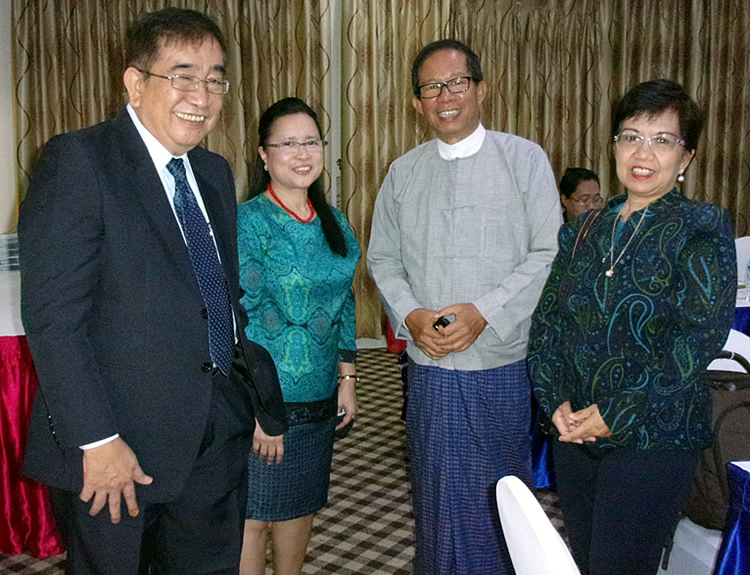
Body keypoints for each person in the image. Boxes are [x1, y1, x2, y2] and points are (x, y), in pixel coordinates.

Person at [18, 8, 287, 574]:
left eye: (216, 79)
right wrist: (97, 440)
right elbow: (54, 321)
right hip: (120, 449)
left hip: (214, 433)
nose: (203, 94)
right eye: (183, 75)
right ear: (136, 83)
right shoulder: (79, 161)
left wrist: (250, 396)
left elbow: (220, 298)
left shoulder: (213, 171)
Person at [367, 39, 562, 574]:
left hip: (499, 362)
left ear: (481, 88)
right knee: (435, 494)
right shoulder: (403, 173)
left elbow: (548, 253)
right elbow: (382, 257)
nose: (445, 96)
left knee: (500, 497)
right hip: (429, 366)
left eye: (456, 83)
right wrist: (410, 314)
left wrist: (485, 311)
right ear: (416, 103)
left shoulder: (524, 159)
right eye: (432, 87)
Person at [527, 79, 736, 575]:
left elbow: (697, 340)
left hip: (652, 438)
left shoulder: (701, 226)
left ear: (686, 157)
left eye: (663, 140)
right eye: (630, 136)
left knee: (618, 566)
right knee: (585, 558)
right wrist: (555, 398)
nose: (643, 152)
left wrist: (616, 412)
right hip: (575, 432)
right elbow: (547, 325)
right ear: (614, 146)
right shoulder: (583, 229)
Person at [237, 98, 360, 575]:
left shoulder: (336, 223)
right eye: (287, 143)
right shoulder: (248, 222)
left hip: (319, 398)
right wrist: (259, 409)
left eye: (310, 141)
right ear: (265, 155)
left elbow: (344, 302)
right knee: (254, 517)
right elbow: (237, 318)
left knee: (300, 506)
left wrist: (347, 379)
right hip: (268, 402)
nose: (302, 152)